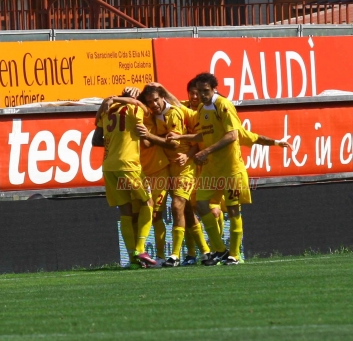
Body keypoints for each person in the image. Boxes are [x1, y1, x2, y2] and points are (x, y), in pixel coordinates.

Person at [166, 72, 254, 265]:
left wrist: (207, 151)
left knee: (232, 211)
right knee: (202, 204)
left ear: (214, 89)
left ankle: (234, 254)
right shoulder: (202, 111)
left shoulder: (223, 105)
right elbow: (201, 137)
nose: (202, 95)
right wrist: (180, 137)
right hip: (212, 169)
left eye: (206, 91)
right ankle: (220, 250)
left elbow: (232, 135)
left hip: (230, 168)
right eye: (199, 91)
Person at [136, 84, 209, 267]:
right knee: (184, 211)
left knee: (178, 206)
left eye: (156, 100)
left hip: (185, 167)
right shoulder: (153, 115)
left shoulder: (173, 113)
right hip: (167, 168)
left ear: (162, 98)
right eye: (150, 102)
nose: (153, 104)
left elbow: (174, 144)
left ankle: (175, 255)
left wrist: (150, 137)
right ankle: (206, 252)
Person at [92, 92, 156, 269]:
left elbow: (96, 139)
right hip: (128, 164)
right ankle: (141, 249)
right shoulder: (136, 108)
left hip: (109, 166)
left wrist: (109, 100)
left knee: (125, 211)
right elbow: (147, 133)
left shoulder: (107, 110)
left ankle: (133, 260)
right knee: (148, 203)